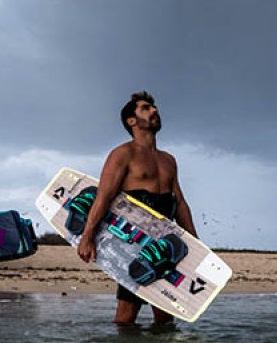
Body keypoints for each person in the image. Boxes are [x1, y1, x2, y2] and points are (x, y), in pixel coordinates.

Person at [77, 91, 198, 325]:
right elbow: (104, 196)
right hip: (134, 243)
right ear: (131, 121)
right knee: (127, 315)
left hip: (164, 243)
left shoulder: (168, 159)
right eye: (146, 108)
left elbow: (180, 202)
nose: (154, 110)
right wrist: (87, 235)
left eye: (154, 107)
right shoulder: (122, 154)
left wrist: (194, 242)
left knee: (166, 316)